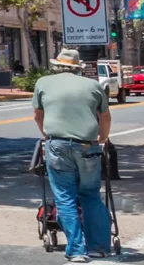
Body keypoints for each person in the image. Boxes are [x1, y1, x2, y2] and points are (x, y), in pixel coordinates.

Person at [34, 49, 112, 263]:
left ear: (57, 65)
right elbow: (105, 117)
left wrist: (47, 136)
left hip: (57, 144)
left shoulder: (43, 83)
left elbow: (38, 115)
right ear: (77, 68)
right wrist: (102, 138)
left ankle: (77, 250)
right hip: (88, 146)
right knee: (90, 195)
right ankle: (99, 247)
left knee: (65, 198)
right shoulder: (94, 86)